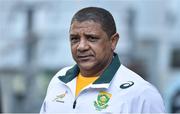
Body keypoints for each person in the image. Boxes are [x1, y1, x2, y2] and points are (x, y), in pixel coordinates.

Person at [40, 7, 165, 113]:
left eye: (92, 38)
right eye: (75, 39)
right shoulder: (59, 80)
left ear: (113, 41)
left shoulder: (141, 93)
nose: (81, 46)